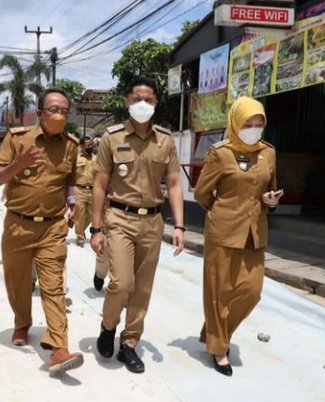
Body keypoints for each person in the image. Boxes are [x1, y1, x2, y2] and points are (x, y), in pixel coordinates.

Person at [90, 76, 185, 374]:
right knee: (121, 283)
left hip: (153, 222)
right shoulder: (112, 137)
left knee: (142, 288)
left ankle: (129, 343)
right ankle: (108, 326)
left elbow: (173, 184)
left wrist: (179, 226)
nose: (143, 104)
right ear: (127, 102)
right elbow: (100, 184)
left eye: (148, 99)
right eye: (137, 99)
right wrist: (96, 228)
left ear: (156, 102)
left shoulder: (165, 140)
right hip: (119, 218)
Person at [0, 88, 83, 374]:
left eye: (64, 111)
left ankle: (59, 348)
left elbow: (70, 179)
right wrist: (19, 164)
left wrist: (72, 202)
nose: (59, 115)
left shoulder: (70, 144)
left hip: (53, 226)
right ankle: (22, 322)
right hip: (18, 223)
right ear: (40, 112)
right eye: (53, 109)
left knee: (53, 285)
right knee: (17, 282)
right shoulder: (18, 139)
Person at [194, 96, 281, 377]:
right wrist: (221, 213)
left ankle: (215, 333)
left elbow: (272, 189)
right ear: (236, 122)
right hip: (223, 232)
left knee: (251, 292)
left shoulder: (269, 152)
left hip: (255, 233)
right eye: (248, 123)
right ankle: (219, 349)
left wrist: (271, 201)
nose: (254, 128)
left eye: (259, 123)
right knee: (220, 293)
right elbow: (202, 193)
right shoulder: (220, 153)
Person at [71, 135, 95, 247]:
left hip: (92, 190)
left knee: (91, 214)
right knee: (80, 214)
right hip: (79, 189)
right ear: (81, 145)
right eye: (88, 145)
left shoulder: (96, 158)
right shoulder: (76, 158)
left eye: (91, 144)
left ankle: (81, 229)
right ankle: (80, 236)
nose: (91, 146)